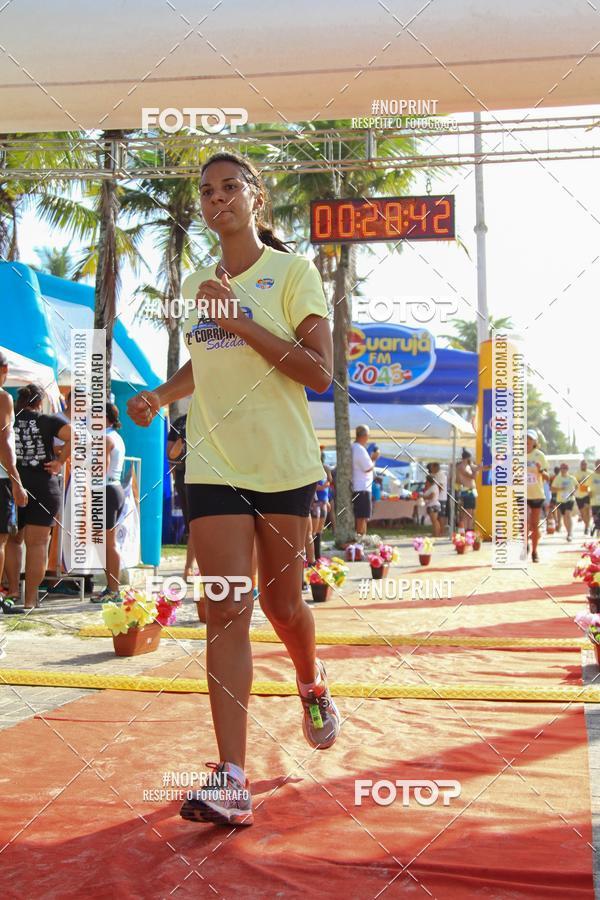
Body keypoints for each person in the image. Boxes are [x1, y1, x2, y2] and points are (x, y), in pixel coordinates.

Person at [127, 151, 337, 828]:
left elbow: (318, 372)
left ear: (256, 198)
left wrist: (239, 314)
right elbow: (208, 357)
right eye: (208, 192)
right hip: (213, 465)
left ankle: (310, 679)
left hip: (282, 467)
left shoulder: (293, 273)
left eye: (230, 188)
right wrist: (163, 392)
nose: (218, 199)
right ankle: (233, 780)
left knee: (283, 607)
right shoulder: (199, 279)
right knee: (224, 609)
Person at [4, 384, 71, 609]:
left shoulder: (9, 418)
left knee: (13, 541)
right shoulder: (49, 421)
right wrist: (60, 462)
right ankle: (31, 600)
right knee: (38, 544)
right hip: (44, 486)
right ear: (39, 402)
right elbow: (76, 436)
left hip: (14, 483)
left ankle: (12, 591)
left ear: (19, 401)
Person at [0, 352, 28, 613]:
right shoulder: (3, 397)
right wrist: (16, 480)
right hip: (0, 479)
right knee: (1, 541)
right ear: (5, 369)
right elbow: (6, 441)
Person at [91, 403, 126, 602]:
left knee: (107, 543)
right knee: (103, 543)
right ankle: (111, 588)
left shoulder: (105, 438)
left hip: (106, 490)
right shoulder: (114, 436)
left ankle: (114, 590)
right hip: (112, 488)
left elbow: (99, 468)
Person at [166, 411, 197, 581]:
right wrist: (181, 441)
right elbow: (171, 454)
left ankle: (197, 569)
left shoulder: (216, 415)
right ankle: (189, 569)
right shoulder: (180, 423)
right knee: (193, 525)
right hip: (185, 477)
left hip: (214, 476)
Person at [526, 429, 548, 562]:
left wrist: (540, 469)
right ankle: (524, 545)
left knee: (534, 525)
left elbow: (547, 477)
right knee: (523, 524)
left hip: (536, 494)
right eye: (525, 438)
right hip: (522, 493)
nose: (527, 440)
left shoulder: (539, 455)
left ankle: (534, 551)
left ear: (534, 441)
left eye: (530, 438)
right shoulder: (517, 455)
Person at [352, 425, 375, 538]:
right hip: (362, 487)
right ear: (365, 435)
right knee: (361, 517)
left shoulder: (355, 448)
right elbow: (368, 467)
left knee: (363, 517)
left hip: (359, 487)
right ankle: (360, 541)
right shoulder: (359, 449)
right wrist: (374, 459)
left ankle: (362, 539)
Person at [553, 462, 578, 542]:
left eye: (565, 468)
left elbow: (577, 486)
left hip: (570, 499)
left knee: (568, 514)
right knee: (564, 517)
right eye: (562, 469)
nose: (563, 470)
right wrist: (560, 489)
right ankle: (568, 532)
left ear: (567, 469)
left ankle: (570, 533)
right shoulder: (558, 478)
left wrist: (574, 491)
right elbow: (552, 488)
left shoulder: (571, 478)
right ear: (560, 469)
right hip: (560, 500)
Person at [456, 449, 479, 530]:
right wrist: (476, 470)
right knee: (467, 512)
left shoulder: (469, 466)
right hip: (467, 490)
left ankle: (469, 529)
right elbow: (471, 476)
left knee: (472, 512)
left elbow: (475, 474)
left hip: (472, 490)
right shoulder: (461, 467)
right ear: (467, 458)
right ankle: (464, 530)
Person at [574, 459, 592, 536]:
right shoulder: (577, 473)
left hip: (587, 494)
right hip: (579, 495)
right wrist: (580, 482)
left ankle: (587, 527)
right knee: (583, 513)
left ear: (587, 465)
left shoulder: (590, 473)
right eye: (582, 464)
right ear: (580, 465)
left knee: (587, 510)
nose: (584, 465)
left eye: (585, 464)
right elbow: (576, 483)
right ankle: (586, 525)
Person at [430, 462, 448, 535]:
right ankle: (437, 531)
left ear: (435, 467)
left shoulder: (441, 475)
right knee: (437, 517)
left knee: (441, 516)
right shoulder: (435, 474)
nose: (431, 469)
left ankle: (442, 531)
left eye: (432, 468)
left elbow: (441, 487)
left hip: (441, 498)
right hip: (437, 498)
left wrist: (435, 494)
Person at [590, 460, 600, 537]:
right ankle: (596, 528)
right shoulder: (591, 476)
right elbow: (585, 487)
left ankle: (598, 530)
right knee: (596, 516)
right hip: (594, 500)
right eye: (597, 465)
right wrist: (588, 492)